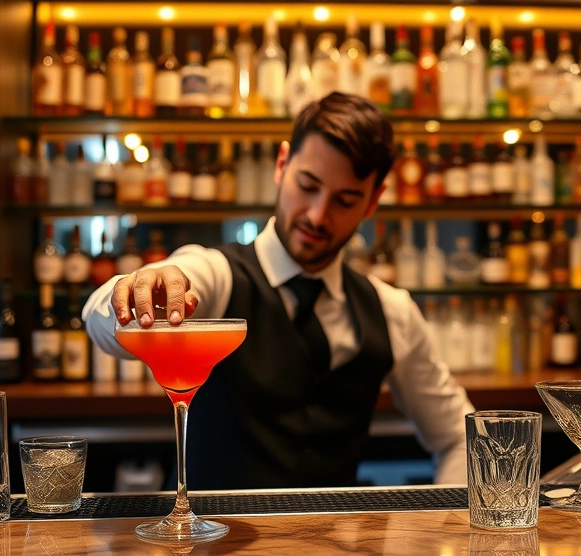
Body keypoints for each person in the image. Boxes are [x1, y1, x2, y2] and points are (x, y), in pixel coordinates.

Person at [83, 92, 474, 490]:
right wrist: (131, 293)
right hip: (207, 531)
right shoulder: (220, 275)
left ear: (373, 201)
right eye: (308, 185)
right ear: (282, 164)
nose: (317, 215)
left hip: (336, 533)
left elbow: (460, 438)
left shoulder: (392, 311)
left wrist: (444, 520)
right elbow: (105, 315)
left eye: (345, 200)